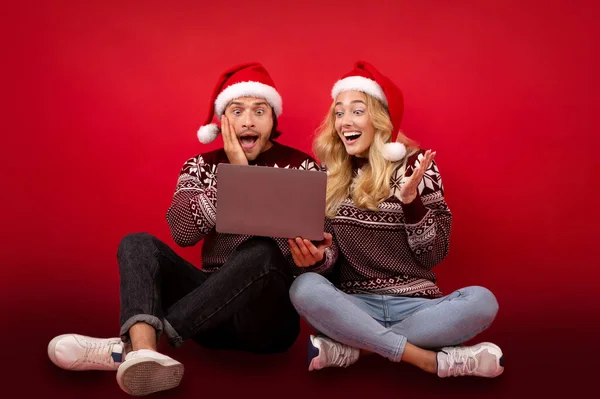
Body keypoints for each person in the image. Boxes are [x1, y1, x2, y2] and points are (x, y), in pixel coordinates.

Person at [47, 62, 337, 396]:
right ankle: (142, 351)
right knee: (137, 243)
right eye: (237, 110)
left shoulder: (302, 167)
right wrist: (234, 177)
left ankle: (132, 347)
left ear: (273, 121)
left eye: (260, 111)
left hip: (267, 320)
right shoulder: (201, 166)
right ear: (221, 121)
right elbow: (183, 231)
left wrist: (316, 258)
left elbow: (330, 254)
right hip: (208, 315)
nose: (248, 121)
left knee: (262, 250)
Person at [288, 61, 504, 379]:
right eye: (339, 112)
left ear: (380, 119)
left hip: (418, 307)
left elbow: (433, 253)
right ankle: (429, 361)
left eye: (357, 111)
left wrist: (410, 204)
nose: (345, 121)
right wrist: (319, 257)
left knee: (483, 301)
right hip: (355, 306)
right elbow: (331, 262)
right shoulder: (329, 176)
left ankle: (356, 349)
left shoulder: (417, 166)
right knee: (304, 286)